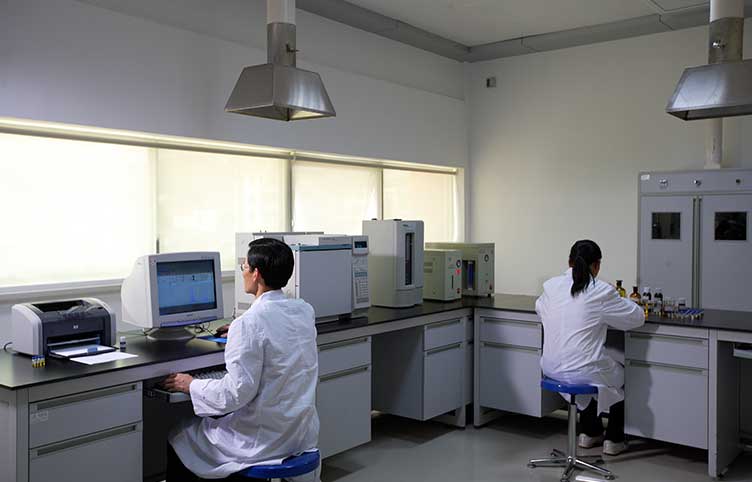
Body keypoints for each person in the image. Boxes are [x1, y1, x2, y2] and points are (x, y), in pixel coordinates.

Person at [162, 238, 319, 481]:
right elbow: (274, 332)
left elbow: (235, 394)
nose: (243, 271)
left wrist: (191, 384)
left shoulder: (249, 323)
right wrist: (239, 328)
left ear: (256, 274)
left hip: (262, 440)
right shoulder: (303, 310)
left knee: (180, 435)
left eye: (244, 266)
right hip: (298, 432)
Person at [536, 240, 644, 456]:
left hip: (550, 368)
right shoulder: (600, 290)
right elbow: (637, 318)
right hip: (582, 370)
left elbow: (539, 308)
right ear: (597, 265)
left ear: (569, 262)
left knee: (589, 372)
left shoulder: (551, 286)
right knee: (622, 374)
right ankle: (614, 439)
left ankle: (590, 432)